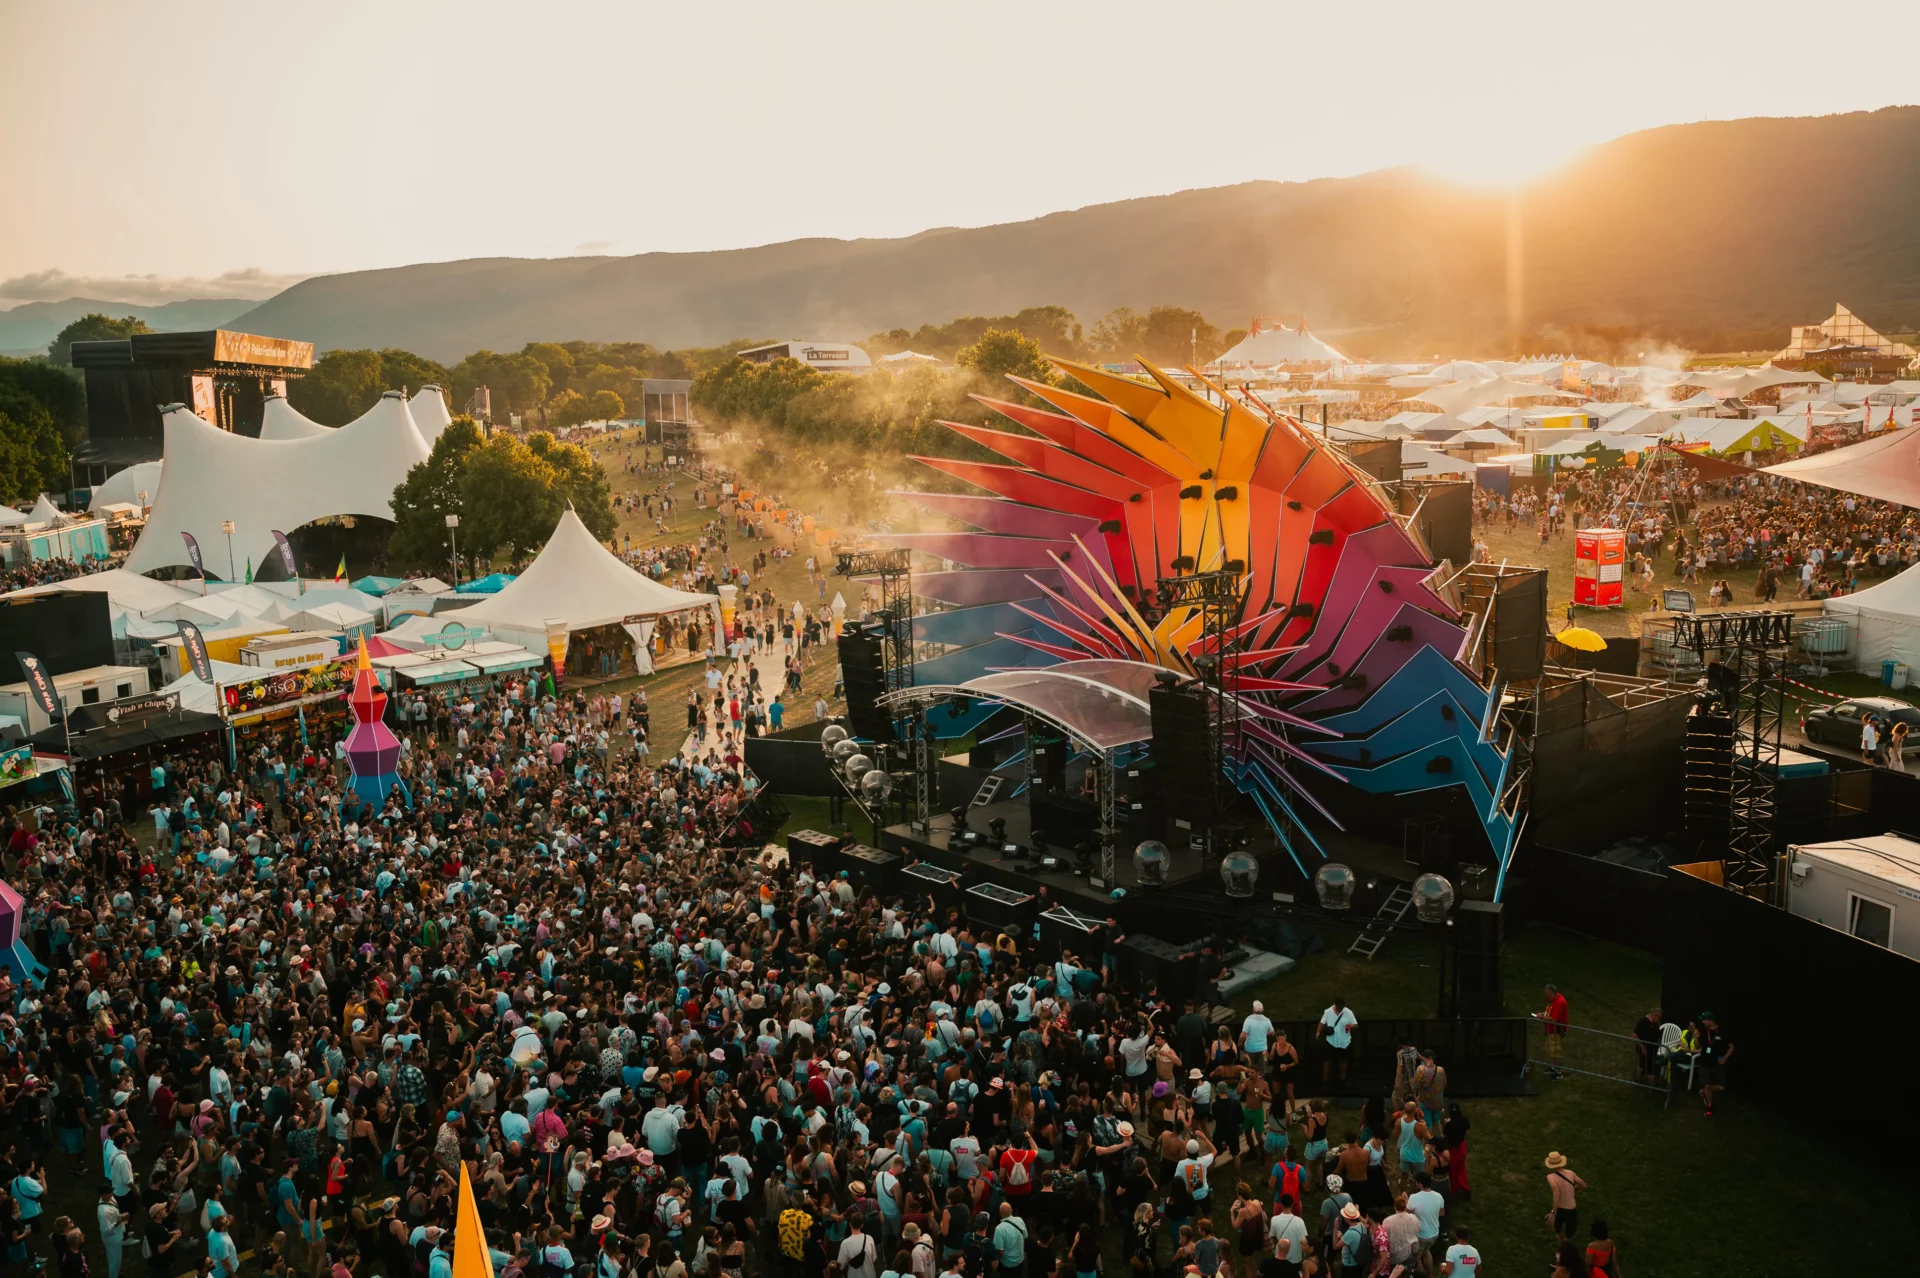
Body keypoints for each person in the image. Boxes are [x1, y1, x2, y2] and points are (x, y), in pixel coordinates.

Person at [1544, 1152, 1586, 1244]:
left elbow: (1556, 1194)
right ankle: (1566, 1250)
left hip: (1560, 1209)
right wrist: (1574, 1189)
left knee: (1558, 1231)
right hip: (1571, 1209)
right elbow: (1583, 1185)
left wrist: (1553, 1212)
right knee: (1569, 1235)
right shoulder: (1570, 1173)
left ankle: (1561, 1249)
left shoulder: (1550, 1177)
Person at [1696, 1012, 1734, 1115]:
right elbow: (1698, 1046)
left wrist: (1725, 1057)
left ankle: (1705, 1092)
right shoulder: (1703, 1031)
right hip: (1704, 1062)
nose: (1703, 1022)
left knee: (1721, 1087)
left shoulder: (1722, 1032)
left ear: (1710, 1021)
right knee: (1707, 1084)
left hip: (1718, 1063)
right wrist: (1696, 1038)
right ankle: (1710, 1106)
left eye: (1704, 1020)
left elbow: (1731, 1047)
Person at [1316, 998, 1357, 1084]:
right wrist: (1318, 1031)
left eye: (1342, 1007)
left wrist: (1351, 1026)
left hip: (1344, 1042)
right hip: (1331, 1042)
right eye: (1339, 1007)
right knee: (1328, 1062)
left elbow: (1355, 1025)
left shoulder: (1348, 1012)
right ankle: (1325, 1081)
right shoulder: (1328, 1012)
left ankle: (1343, 1080)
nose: (1340, 1009)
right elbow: (1322, 1023)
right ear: (1335, 1004)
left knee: (1343, 1062)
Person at [1534, 984, 1570, 1079]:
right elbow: (1550, 1012)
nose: (1546, 996)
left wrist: (1542, 1017)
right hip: (1551, 1030)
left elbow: (1554, 1019)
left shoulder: (1559, 1002)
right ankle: (1554, 1068)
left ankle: (1558, 1072)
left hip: (1556, 1030)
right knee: (1550, 1050)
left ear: (1552, 993)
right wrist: (1542, 1014)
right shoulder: (1553, 1001)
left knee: (1555, 1051)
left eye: (1547, 994)